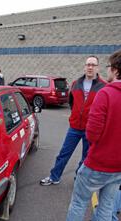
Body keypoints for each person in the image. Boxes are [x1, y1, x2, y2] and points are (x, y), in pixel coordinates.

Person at [49, 49, 121, 221]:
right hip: (118, 168)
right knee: (106, 207)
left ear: (115, 69)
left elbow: (92, 134)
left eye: (108, 67)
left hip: (98, 163)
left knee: (79, 202)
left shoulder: (105, 93)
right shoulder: (81, 85)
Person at [40, 56, 106, 186]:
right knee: (64, 153)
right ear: (84, 66)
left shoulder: (103, 86)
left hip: (91, 129)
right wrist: (75, 116)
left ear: (98, 67)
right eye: (88, 64)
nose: (90, 67)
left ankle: (79, 178)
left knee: (86, 158)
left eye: (93, 65)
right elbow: (72, 102)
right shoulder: (76, 83)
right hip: (75, 127)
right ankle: (54, 177)